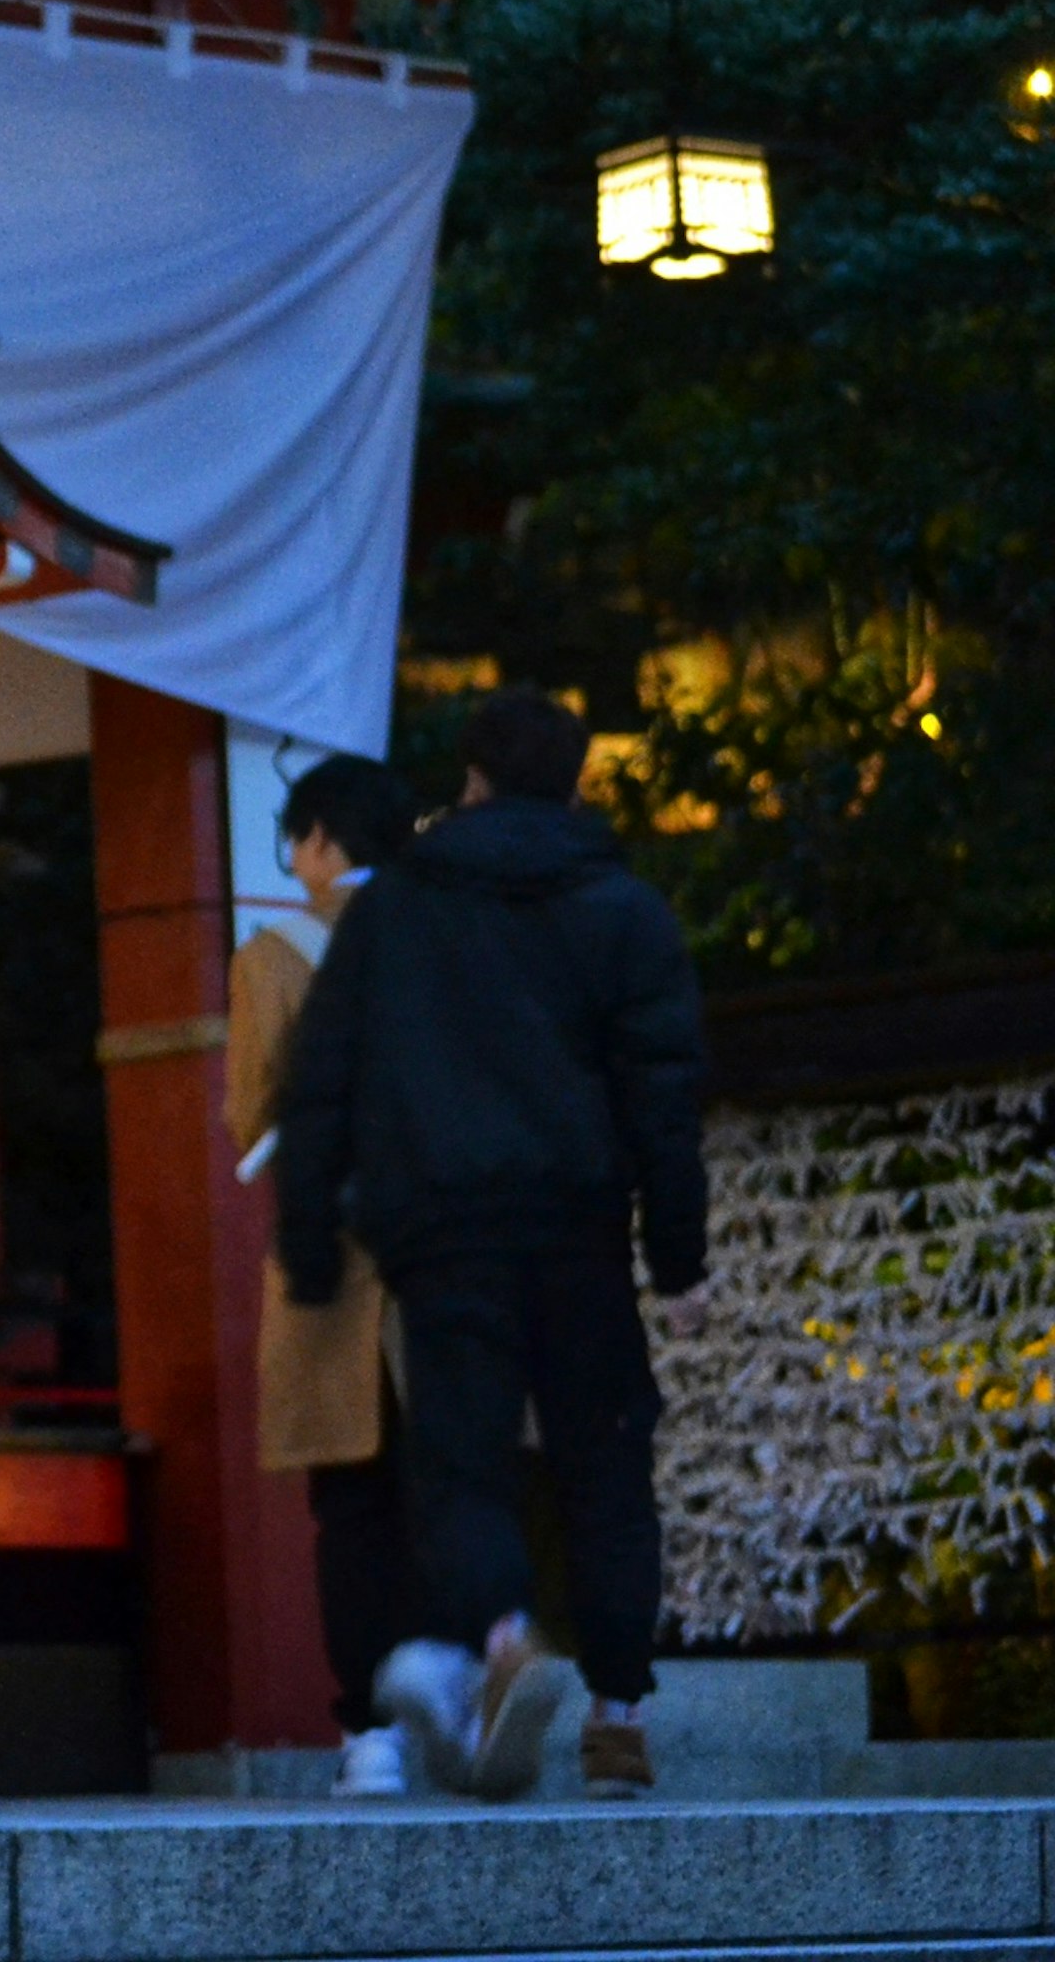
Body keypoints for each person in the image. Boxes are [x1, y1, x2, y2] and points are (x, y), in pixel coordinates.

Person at [274, 690, 707, 1802]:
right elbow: (662, 1090)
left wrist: (312, 1229)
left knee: (461, 1461)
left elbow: (322, 1072)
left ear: (468, 779)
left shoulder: (398, 909)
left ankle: (505, 1629)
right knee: (605, 1463)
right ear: (576, 782)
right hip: (579, 1229)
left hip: (443, 1231)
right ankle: (618, 1716)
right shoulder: (623, 906)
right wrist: (678, 1251)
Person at [226, 753, 427, 1799]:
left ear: (314, 842)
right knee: (451, 1485)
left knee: (347, 1508)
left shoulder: (274, 957)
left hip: (332, 1260)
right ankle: (468, 1689)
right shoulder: (453, 932)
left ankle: (371, 1734)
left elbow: (253, 1109)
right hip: (445, 1255)